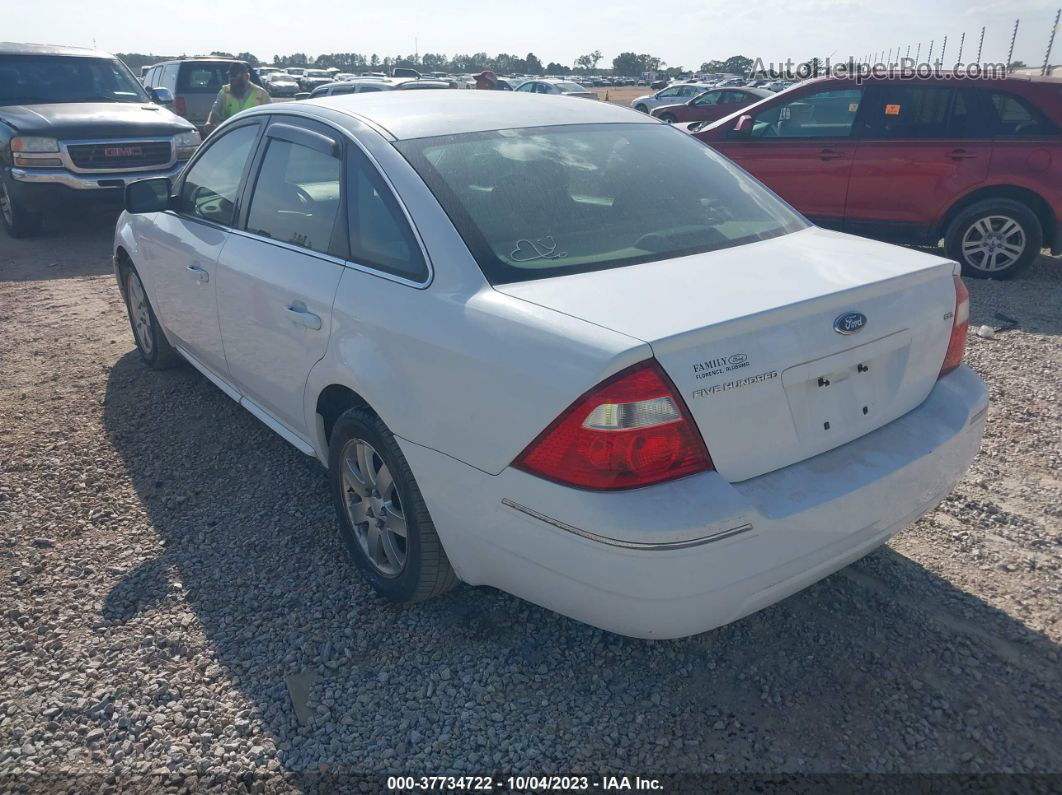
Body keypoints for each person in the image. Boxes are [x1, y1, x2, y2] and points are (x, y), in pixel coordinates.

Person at [205, 62, 271, 132]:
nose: (234, 83)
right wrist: (210, 122)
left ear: (247, 77)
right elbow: (215, 111)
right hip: (231, 133)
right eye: (231, 80)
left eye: (237, 80)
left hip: (253, 134)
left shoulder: (261, 94)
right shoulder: (225, 91)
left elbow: (270, 116)